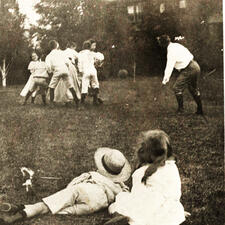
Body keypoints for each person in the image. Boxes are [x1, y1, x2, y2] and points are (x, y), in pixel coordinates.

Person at [0, 148, 131, 224]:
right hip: (97, 204)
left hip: (85, 190)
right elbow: (124, 195)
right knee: (56, 210)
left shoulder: (92, 175)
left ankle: (16, 215)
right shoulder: (120, 187)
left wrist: (71, 188)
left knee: (49, 205)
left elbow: (73, 185)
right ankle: (20, 208)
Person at [104, 129, 186, 225]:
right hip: (171, 211)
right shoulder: (172, 168)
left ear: (147, 153)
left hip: (147, 210)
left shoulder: (141, 173)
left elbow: (137, 196)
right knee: (169, 208)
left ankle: (121, 216)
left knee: (119, 200)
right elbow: (175, 194)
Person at [157, 34, 203, 115]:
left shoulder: (171, 51)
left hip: (189, 68)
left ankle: (181, 110)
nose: (159, 45)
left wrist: (165, 80)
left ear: (163, 43)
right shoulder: (176, 45)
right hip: (195, 65)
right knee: (193, 89)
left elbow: (169, 66)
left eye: (160, 43)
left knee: (177, 88)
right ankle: (200, 110)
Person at [45, 40, 80, 108]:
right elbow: (67, 62)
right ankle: (77, 103)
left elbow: (48, 66)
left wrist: (51, 71)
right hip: (65, 70)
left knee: (52, 87)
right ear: (57, 45)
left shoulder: (49, 56)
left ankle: (51, 104)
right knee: (70, 86)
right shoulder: (61, 53)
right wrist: (66, 68)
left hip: (57, 71)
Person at [78, 40, 104, 106]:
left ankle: (82, 103)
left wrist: (80, 70)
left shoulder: (80, 54)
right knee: (95, 84)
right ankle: (95, 101)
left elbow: (79, 63)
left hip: (85, 71)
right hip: (93, 70)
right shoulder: (92, 53)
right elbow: (101, 57)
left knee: (84, 86)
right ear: (90, 47)